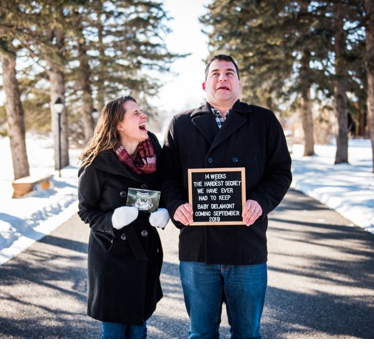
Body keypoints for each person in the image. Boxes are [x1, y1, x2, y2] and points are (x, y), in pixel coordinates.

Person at [160, 54, 292, 338]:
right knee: (201, 334)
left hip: (247, 245)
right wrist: (175, 204)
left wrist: (260, 201)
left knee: (247, 334)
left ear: (240, 83)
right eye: (216, 73)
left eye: (229, 73)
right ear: (205, 83)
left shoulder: (264, 121)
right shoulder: (181, 124)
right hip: (197, 248)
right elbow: (166, 176)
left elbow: (281, 172)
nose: (223, 78)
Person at [77, 96, 171, 339]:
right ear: (118, 124)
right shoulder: (96, 162)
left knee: (139, 328)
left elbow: (165, 186)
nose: (143, 117)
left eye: (142, 112)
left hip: (143, 253)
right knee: (115, 332)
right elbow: (86, 211)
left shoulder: (152, 151)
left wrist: (165, 210)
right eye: (135, 113)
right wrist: (113, 220)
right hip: (111, 257)